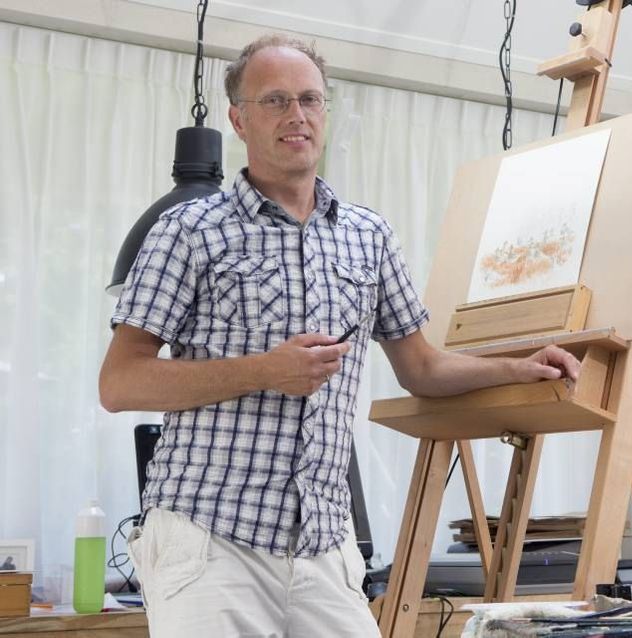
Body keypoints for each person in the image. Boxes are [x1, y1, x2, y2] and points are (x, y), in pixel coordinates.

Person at [98, 34, 580, 637]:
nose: (296, 115)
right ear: (238, 120)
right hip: (209, 538)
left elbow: (422, 369)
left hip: (325, 543)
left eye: (309, 100)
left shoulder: (368, 235)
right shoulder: (186, 230)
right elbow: (119, 383)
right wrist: (263, 370)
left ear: (325, 112)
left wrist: (516, 366)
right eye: (274, 101)